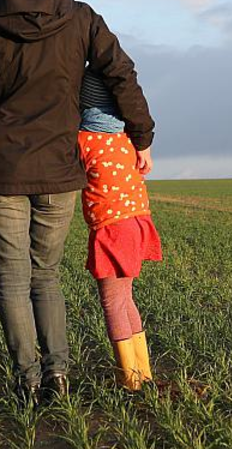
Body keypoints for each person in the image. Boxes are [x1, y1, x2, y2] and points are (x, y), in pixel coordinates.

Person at [0, 0, 154, 403]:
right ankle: (57, 376)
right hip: (61, 170)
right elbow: (120, 74)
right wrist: (140, 135)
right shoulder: (80, 17)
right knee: (46, 276)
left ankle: (26, 380)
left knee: (12, 280)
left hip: (0, 171)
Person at [77, 71, 162, 390]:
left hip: (113, 230)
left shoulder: (84, 140)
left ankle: (129, 380)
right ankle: (144, 373)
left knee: (112, 302)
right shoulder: (128, 139)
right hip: (137, 223)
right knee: (125, 299)